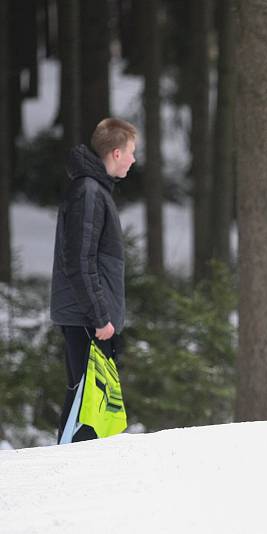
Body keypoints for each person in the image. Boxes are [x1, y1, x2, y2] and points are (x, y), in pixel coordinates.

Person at [50, 118, 137, 444]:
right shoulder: (88, 192)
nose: (133, 160)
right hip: (86, 318)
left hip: (90, 316)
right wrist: (100, 316)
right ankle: (65, 470)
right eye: (131, 152)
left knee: (91, 403)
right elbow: (79, 261)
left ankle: (76, 469)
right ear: (116, 153)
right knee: (83, 401)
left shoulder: (95, 190)